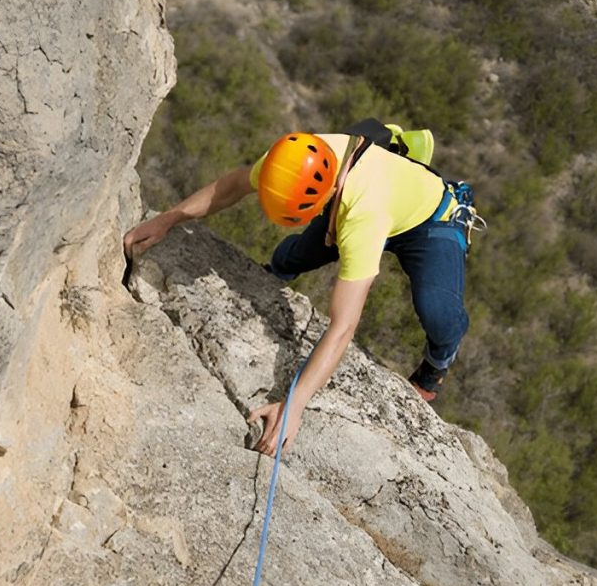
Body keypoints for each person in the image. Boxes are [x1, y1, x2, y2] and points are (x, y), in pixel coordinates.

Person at [123, 125, 476, 458]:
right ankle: (276, 272)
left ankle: (438, 361)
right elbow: (231, 187)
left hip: (432, 219)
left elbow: (343, 327)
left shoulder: (362, 215)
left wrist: (294, 404)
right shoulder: (292, 161)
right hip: (364, 195)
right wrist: (168, 218)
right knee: (295, 255)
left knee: (438, 313)